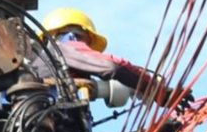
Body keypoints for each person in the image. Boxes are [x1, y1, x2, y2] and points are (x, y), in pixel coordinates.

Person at [36, 7, 189, 108]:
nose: (86, 49)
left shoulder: (67, 104)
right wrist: (156, 90)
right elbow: (112, 67)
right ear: (71, 34)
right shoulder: (64, 47)